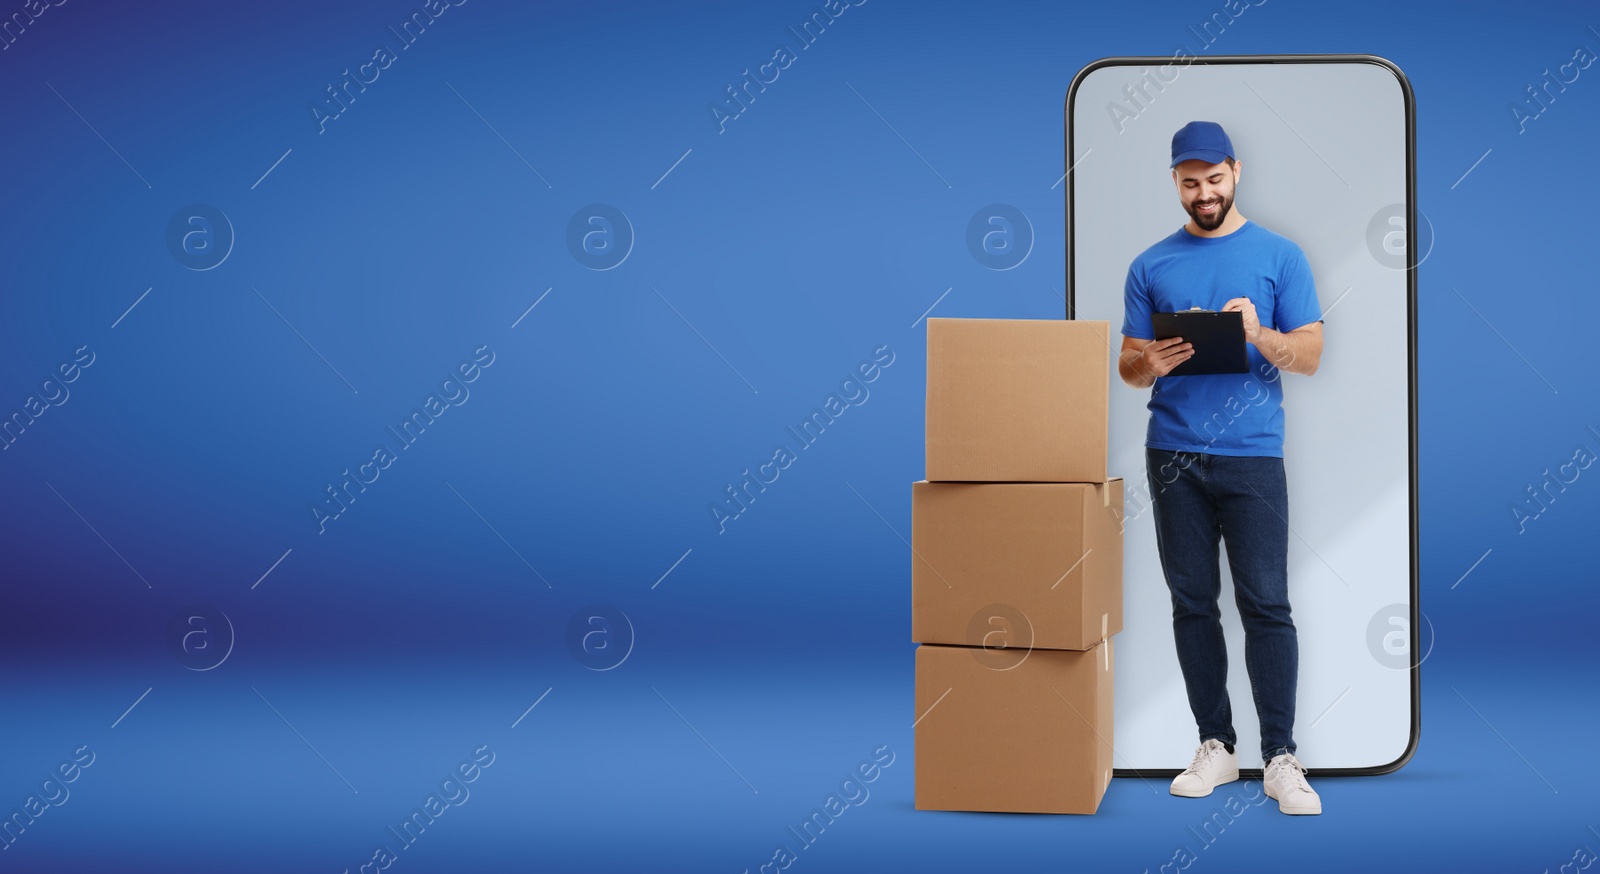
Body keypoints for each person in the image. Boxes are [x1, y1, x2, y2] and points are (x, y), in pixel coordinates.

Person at [1116, 120, 1325, 815]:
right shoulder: (1151, 265)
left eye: (1213, 178)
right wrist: (1152, 359)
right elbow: (1128, 368)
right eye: (1189, 181)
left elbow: (1312, 354)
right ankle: (1215, 745)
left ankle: (1281, 757)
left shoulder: (1280, 255)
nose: (1202, 192)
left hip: (1254, 456)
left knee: (1267, 602)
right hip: (1172, 454)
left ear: (1235, 172)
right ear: (1174, 182)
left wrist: (1257, 333)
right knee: (1192, 602)